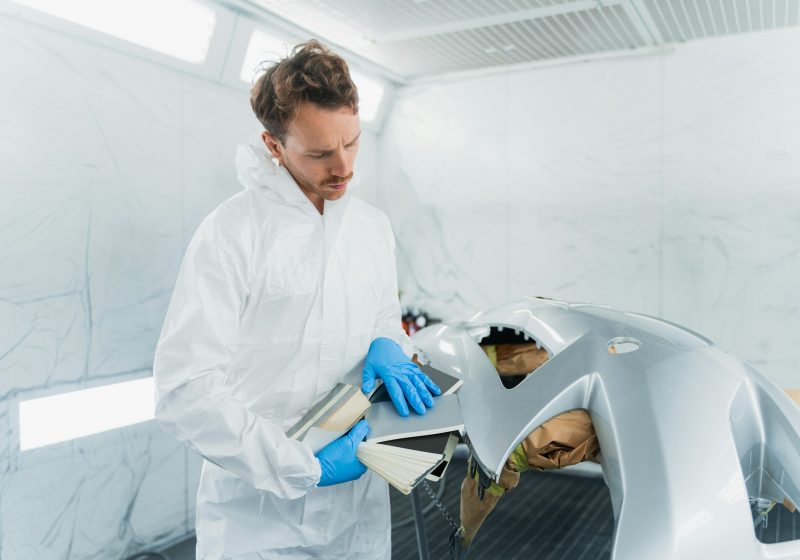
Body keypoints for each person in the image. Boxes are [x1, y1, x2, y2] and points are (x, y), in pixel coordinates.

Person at [153, 40, 440, 559]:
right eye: (320, 153)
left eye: (352, 143)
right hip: (258, 519)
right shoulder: (232, 233)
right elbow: (184, 389)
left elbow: (382, 320)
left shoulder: (371, 228)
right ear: (274, 143)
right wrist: (301, 466)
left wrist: (387, 343)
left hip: (358, 514)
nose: (344, 167)